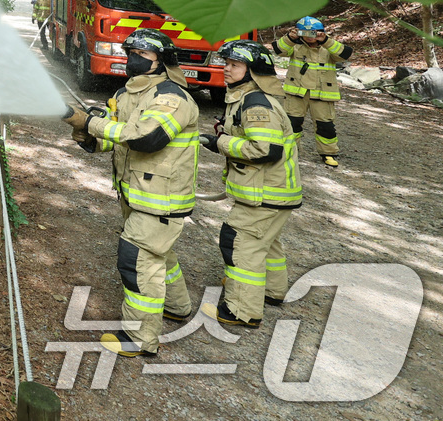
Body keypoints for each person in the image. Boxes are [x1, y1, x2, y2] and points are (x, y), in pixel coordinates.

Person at [62, 28, 199, 358]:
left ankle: (139, 339)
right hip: (138, 193)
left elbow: (145, 139)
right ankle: (178, 307)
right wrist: (88, 136)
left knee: (136, 261)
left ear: (160, 62)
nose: (132, 59)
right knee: (158, 256)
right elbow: (117, 136)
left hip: (161, 199)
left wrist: (91, 123)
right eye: (130, 52)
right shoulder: (129, 93)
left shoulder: (171, 98)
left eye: (141, 54)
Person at [199, 40, 301, 328]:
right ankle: (271, 292)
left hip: (265, 195)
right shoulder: (247, 97)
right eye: (226, 63)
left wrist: (220, 142)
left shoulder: (256, 103)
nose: (226, 69)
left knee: (239, 243)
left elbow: (266, 150)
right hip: (275, 194)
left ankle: (242, 311)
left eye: (234, 65)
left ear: (253, 71)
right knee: (266, 244)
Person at [272, 16, 352, 167]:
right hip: (296, 93)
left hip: (322, 94)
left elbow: (344, 54)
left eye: (313, 32)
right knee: (292, 124)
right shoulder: (295, 46)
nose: (309, 36)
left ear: (320, 32)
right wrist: (290, 37)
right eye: (305, 32)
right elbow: (278, 50)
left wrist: (326, 40)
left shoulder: (329, 47)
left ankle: (328, 153)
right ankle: (289, 152)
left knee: (325, 126)